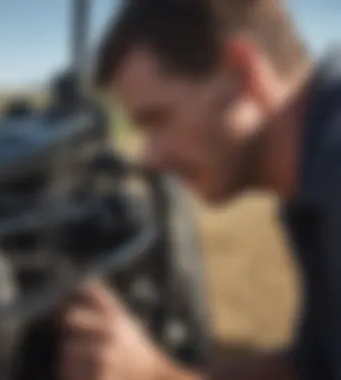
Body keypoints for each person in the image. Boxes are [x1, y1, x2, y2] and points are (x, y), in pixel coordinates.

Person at [59, 0, 341, 379]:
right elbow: (312, 367)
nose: (150, 158)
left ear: (243, 73)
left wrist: (155, 375)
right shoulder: (309, 178)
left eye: (158, 119)